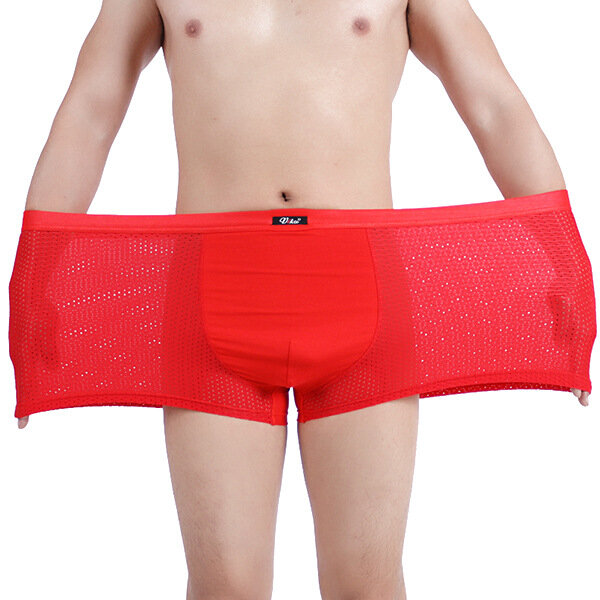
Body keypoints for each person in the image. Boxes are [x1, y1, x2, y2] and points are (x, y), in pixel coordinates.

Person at [10, 1, 594, 599]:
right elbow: (92, 109)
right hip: (211, 293)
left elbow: (493, 104)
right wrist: (36, 282)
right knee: (225, 587)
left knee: (365, 586)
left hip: (362, 291)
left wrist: (564, 264)